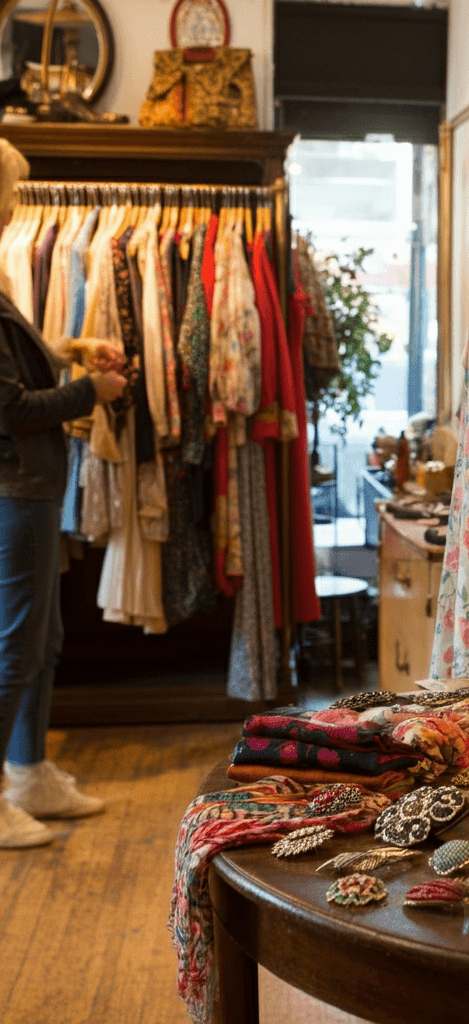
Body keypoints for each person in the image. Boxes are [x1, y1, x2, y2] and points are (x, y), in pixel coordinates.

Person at [0, 139, 128, 849]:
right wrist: (91, 391)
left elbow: (21, 364)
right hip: (15, 488)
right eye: (11, 190)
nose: (16, 205)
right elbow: (10, 407)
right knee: (15, 644)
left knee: (41, 639)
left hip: (33, 486)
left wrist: (75, 348)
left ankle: (31, 770)